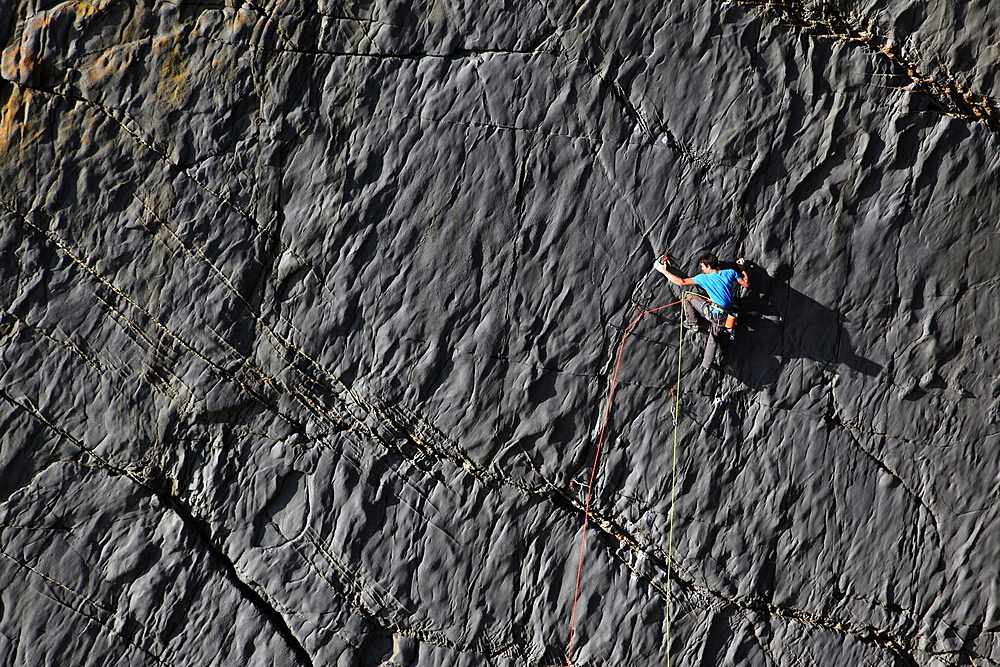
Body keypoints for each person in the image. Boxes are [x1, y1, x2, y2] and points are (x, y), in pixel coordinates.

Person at [654, 252, 749, 370]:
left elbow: (681, 282)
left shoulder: (704, 278)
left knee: (688, 296)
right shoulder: (730, 272)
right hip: (728, 316)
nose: (702, 270)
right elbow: (746, 284)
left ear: (709, 266)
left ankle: (692, 323)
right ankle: (707, 364)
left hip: (715, 314)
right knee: (713, 337)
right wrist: (743, 269)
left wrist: (663, 270)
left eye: (703, 267)